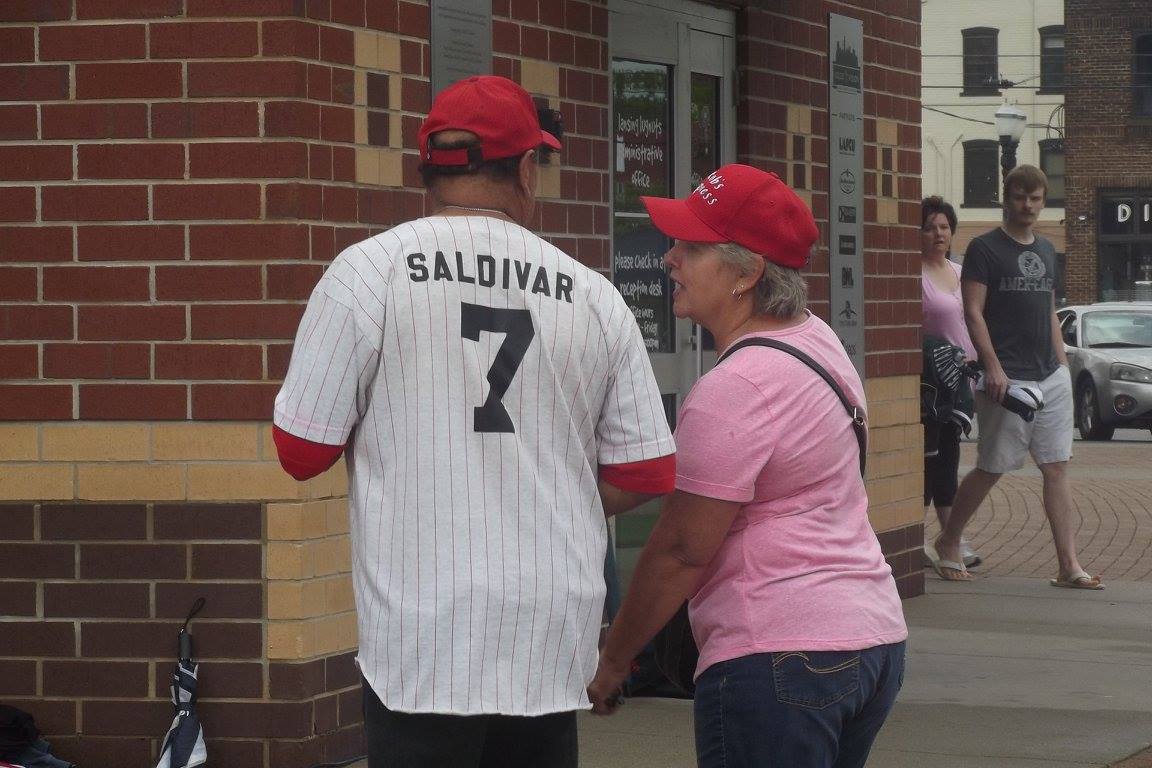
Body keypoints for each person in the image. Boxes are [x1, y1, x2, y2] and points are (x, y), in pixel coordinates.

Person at [272, 75, 677, 767]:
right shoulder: (595, 296)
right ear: (524, 168)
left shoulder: (365, 274)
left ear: (429, 169)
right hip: (548, 630)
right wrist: (545, 488)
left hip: (422, 633)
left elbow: (301, 449)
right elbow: (648, 471)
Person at [587, 164, 908, 768]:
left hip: (780, 655)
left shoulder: (737, 386)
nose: (668, 259)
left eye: (690, 246)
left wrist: (613, 660)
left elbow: (682, 548)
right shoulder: (818, 342)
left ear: (748, 273)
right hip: (870, 640)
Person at [931, 165, 1103, 589]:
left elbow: (1048, 310)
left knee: (1057, 468)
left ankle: (1068, 565)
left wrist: (1062, 362)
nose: (1028, 205)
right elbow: (972, 311)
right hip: (1007, 380)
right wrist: (992, 367)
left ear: (1044, 202)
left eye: (1036, 198)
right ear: (1006, 199)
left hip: (1051, 375)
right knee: (992, 467)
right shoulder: (984, 249)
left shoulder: (1046, 250)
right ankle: (949, 542)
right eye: (1020, 197)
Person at [919, 195, 982, 570]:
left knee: (947, 457)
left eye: (943, 227)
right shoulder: (913, 275)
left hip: (961, 383)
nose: (938, 233)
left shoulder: (959, 272)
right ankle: (934, 538)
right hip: (932, 386)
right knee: (934, 460)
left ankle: (947, 537)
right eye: (929, 227)